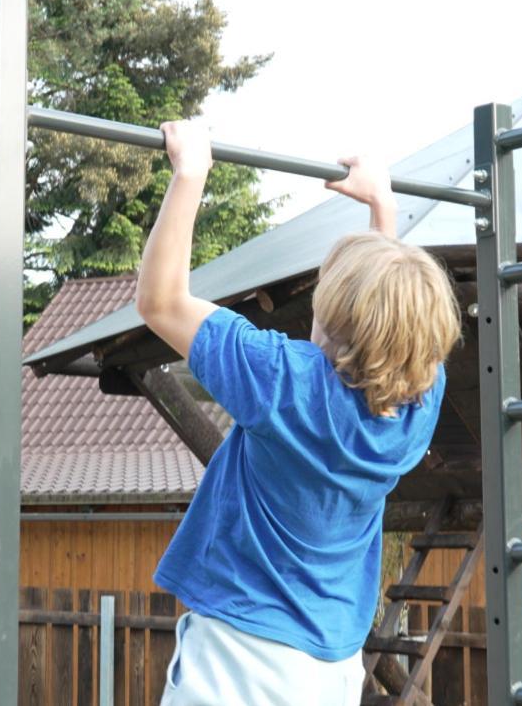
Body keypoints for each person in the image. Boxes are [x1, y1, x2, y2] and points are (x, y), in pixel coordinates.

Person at [134, 120, 462, 705]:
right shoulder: (418, 403)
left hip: (238, 663)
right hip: (330, 669)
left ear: (329, 319)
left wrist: (191, 174)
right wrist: (383, 208)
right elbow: (392, 330)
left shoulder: (284, 380)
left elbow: (160, 302)